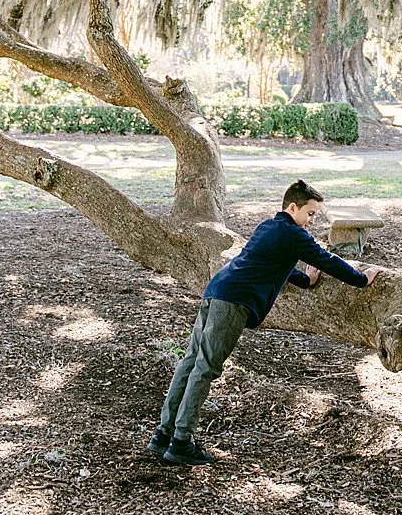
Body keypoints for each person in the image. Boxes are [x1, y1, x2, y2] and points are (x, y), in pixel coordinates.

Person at [151, 179, 385, 464]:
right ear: (293, 207)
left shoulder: (268, 227)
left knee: (190, 362)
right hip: (232, 301)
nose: (312, 221)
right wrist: (361, 279)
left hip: (216, 291)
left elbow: (271, 262)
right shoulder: (294, 235)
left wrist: (303, 279)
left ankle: (163, 435)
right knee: (204, 368)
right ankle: (181, 442)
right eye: (310, 214)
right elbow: (327, 260)